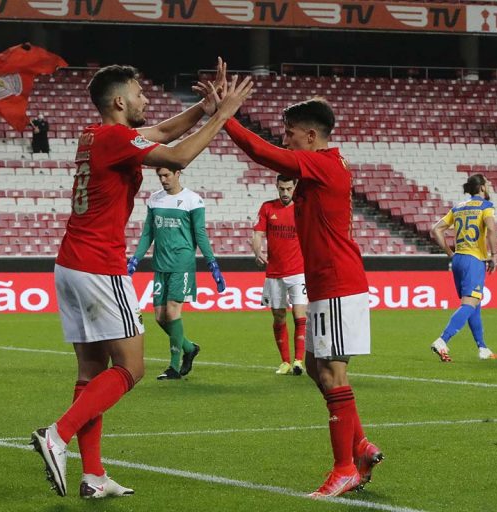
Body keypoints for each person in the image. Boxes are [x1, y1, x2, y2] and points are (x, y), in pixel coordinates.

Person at [29, 60, 252, 499]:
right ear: (119, 101)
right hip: (98, 265)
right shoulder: (114, 138)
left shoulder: (96, 136)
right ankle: (57, 435)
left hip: (71, 263)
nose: (146, 99)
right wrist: (224, 116)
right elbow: (179, 154)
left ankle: (93, 476)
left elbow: (164, 133)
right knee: (131, 368)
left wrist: (204, 109)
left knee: (91, 371)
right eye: (138, 93)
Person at [223, 98, 383, 498]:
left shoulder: (322, 163)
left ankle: (344, 468)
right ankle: (360, 446)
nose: (286, 139)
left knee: (332, 373)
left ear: (311, 136)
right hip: (327, 284)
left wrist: (224, 117)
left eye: (291, 133)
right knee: (315, 366)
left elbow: (262, 153)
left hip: (336, 284)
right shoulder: (326, 164)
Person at [127, 167, 225, 380]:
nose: (163, 180)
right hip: (160, 264)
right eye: (159, 176)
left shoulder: (193, 200)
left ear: (178, 172)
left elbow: (199, 233)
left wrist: (212, 264)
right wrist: (135, 259)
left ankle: (173, 367)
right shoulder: (154, 200)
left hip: (182, 263)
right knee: (160, 318)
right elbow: (148, 233)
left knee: (172, 312)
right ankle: (189, 348)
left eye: (166, 175)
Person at [429, 173, 497, 362]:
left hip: (458, 258)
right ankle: (443, 340)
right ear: (482, 188)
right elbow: (491, 229)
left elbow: (436, 229)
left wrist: (449, 252)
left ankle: (482, 347)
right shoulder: (486, 207)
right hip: (474, 259)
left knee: (474, 304)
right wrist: (494, 255)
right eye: (488, 184)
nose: (490, 186)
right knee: (469, 303)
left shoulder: (458, 207)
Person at [251, 175, 307, 376]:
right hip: (274, 272)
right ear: (277, 187)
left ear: (295, 187)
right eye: (281, 189)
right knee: (279, 315)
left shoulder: (302, 208)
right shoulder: (268, 208)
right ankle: (285, 361)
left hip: (298, 271)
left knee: (299, 315)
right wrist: (258, 251)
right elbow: (257, 234)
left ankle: (299, 360)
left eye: (288, 188)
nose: (285, 193)